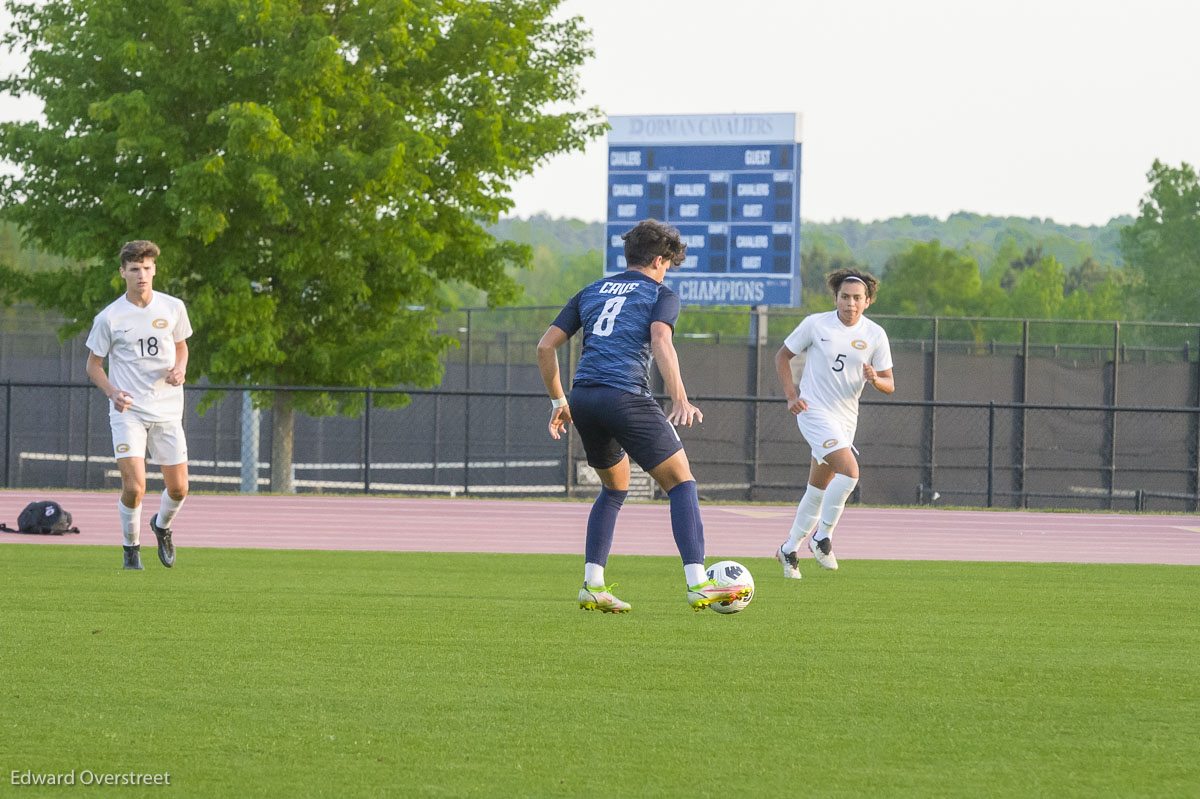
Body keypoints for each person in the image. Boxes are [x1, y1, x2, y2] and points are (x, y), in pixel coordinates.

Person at [536, 218, 751, 613]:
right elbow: (660, 338)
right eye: (668, 263)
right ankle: (697, 583)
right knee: (682, 484)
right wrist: (680, 398)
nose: (667, 270)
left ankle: (593, 585)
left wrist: (558, 402)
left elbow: (545, 347)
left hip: (583, 398)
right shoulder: (659, 293)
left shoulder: (591, 291)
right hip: (625, 397)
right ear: (657, 259)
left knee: (615, 489)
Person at [773, 268, 894, 578]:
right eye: (844, 297)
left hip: (845, 419)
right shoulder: (816, 324)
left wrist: (875, 378)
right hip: (813, 412)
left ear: (868, 301)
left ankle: (789, 548)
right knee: (850, 472)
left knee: (817, 489)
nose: (850, 303)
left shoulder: (875, 334)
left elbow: (889, 384)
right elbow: (782, 356)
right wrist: (791, 396)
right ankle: (822, 537)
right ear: (836, 298)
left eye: (857, 298)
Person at [85, 240, 193, 571]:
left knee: (179, 488)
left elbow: (182, 348)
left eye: (146, 268)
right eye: (134, 269)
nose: (141, 275)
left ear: (154, 270)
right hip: (128, 411)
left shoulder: (173, 307)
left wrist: (180, 369)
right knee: (135, 487)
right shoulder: (109, 317)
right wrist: (113, 392)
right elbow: (93, 366)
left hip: (168, 410)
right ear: (123, 273)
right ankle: (131, 548)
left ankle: (161, 526)